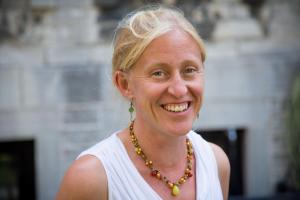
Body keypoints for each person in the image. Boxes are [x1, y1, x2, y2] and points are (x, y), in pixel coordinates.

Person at [56, 4, 230, 200]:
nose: (180, 89)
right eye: (159, 73)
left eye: (189, 70)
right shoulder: (91, 179)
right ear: (124, 84)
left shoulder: (216, 163)